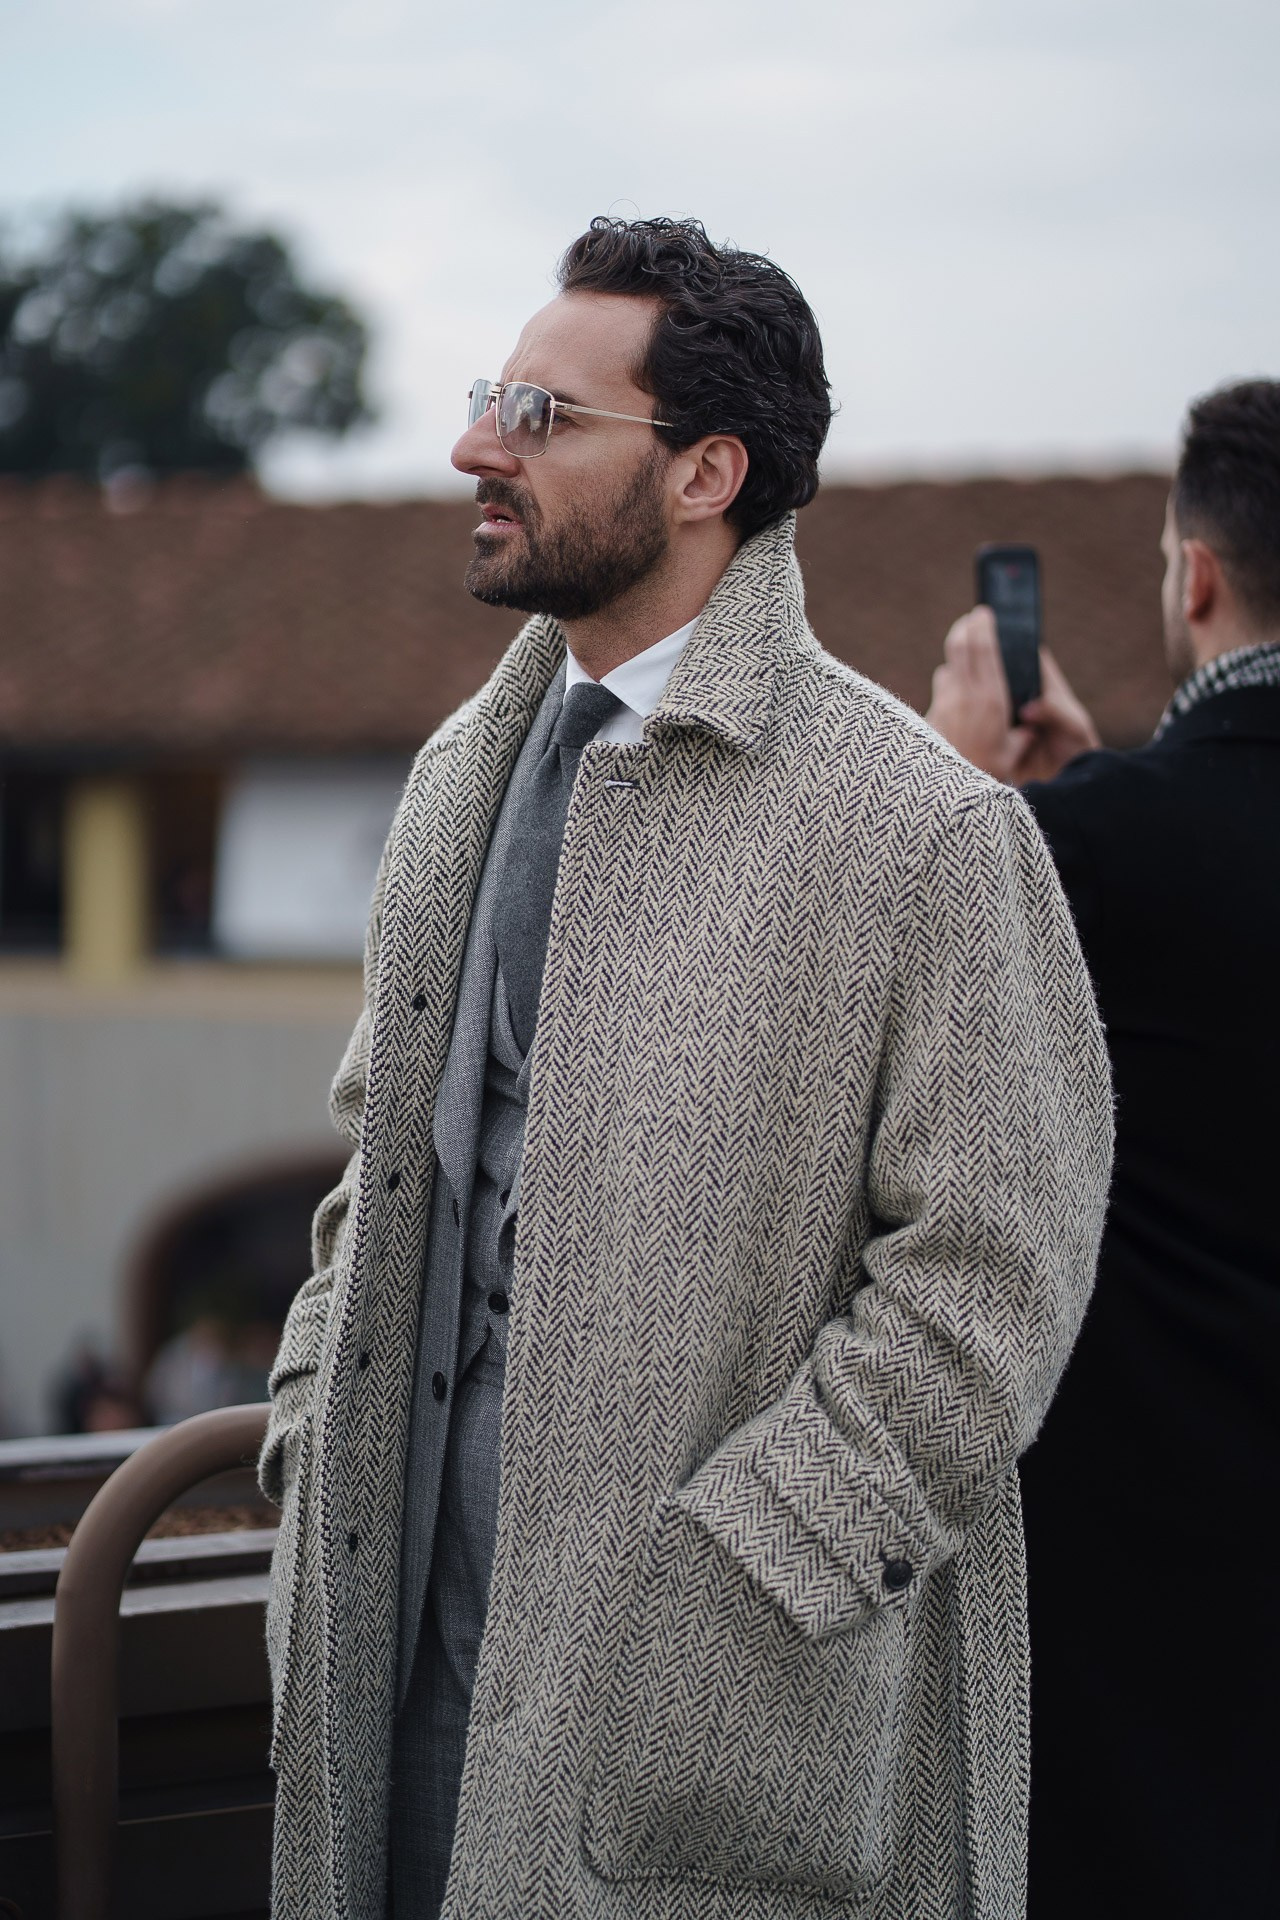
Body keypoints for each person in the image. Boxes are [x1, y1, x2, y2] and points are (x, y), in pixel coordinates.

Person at [259, 215, 1112, 1920]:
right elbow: (384, 1164)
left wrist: (725, 1585)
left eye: (544, 415)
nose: (475, 446)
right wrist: (304, 1425)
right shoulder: (460, 776)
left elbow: (992, 1288)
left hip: (698, 1714)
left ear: (710, 469)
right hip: (395, 1659)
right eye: (493, 392)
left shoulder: (924, 829)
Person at [926, 378, 1280, 1920]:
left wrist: (960, 795)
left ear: (1194, 575)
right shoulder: (1109, 832)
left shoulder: (1093, 852)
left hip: (1152, 1594)